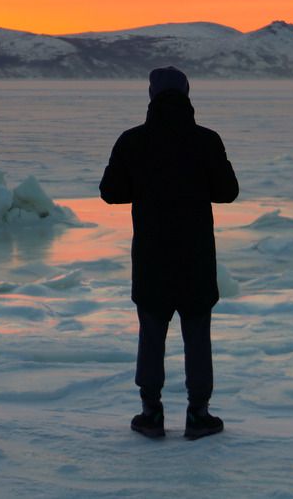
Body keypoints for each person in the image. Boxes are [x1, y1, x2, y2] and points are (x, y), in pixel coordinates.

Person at [99, 66, 239, 440]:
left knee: (151, 333)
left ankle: (151, 413)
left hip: (151, 255)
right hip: (195, 255)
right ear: (187, 94)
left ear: (152, 96)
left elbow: (110, 191)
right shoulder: (206, 140)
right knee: (197, 335)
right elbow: (228, 191)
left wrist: (145, 185)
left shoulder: (133, 141)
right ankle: (198, 413)